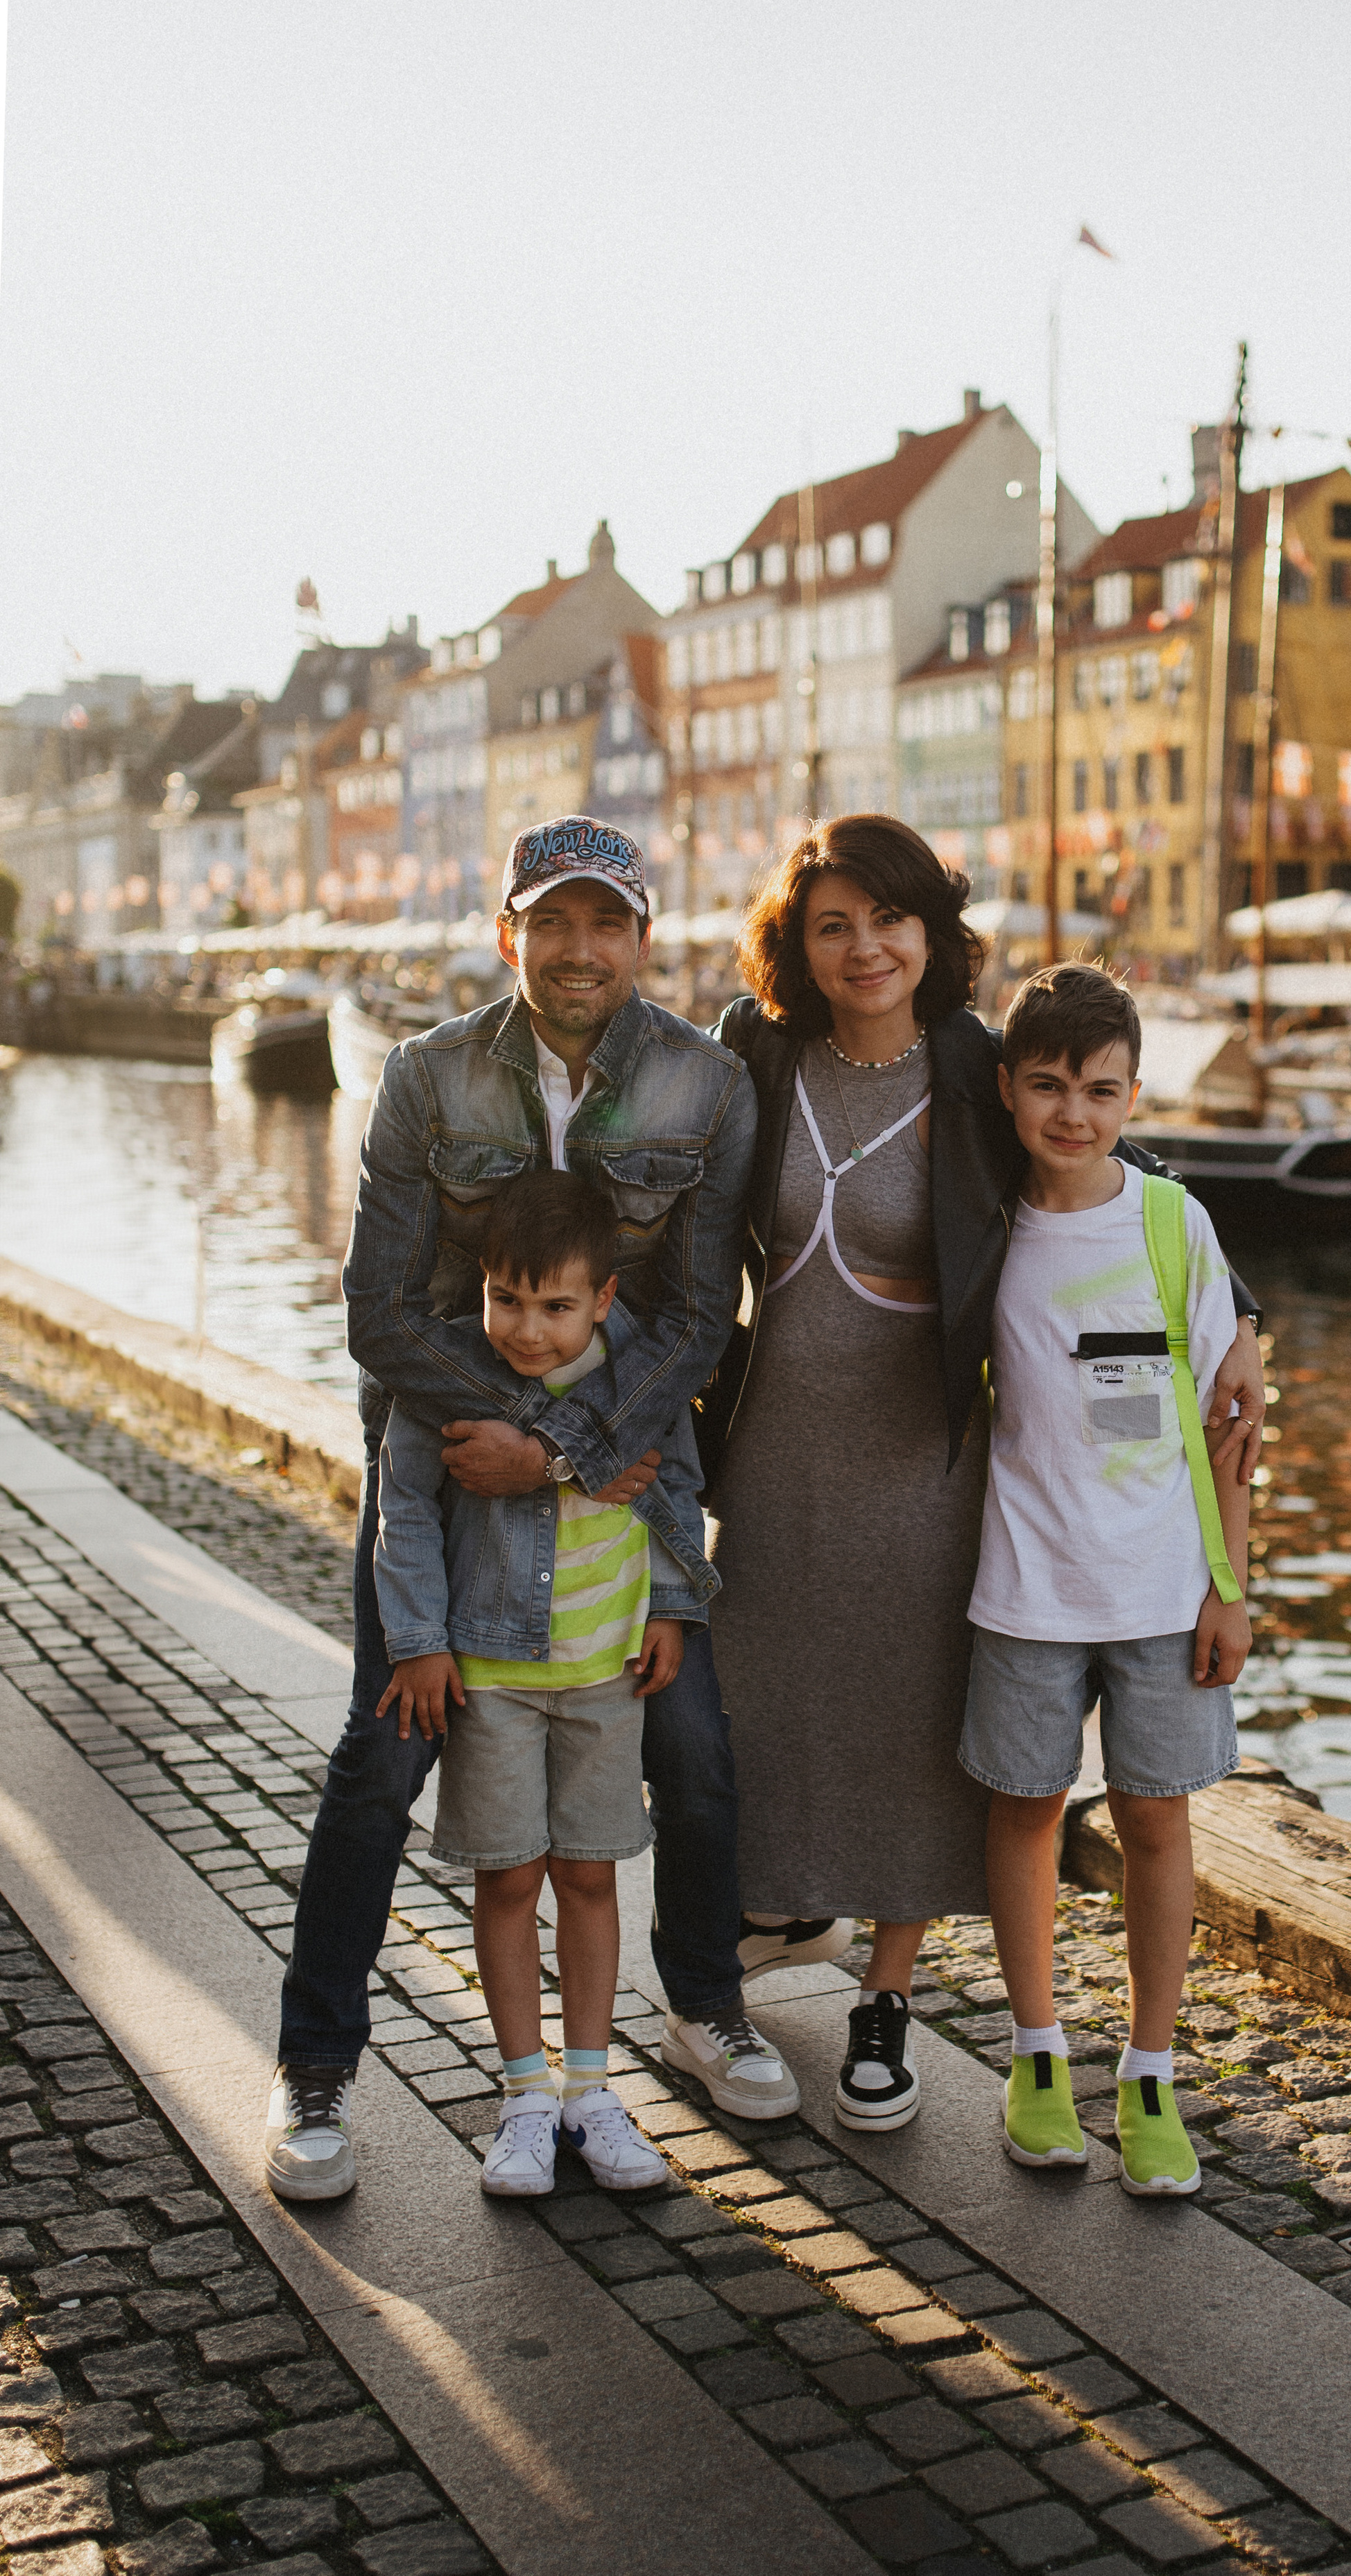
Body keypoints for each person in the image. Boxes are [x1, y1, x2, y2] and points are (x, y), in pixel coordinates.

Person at [266, 816, 811, 2205]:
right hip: (443, 1463)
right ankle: (316, 2064)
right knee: (382, 1755)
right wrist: (497, 1432)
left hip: (619, 1471)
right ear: (507, 932)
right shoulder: (425, 1074)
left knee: (689, 1743)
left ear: (640, 936)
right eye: (550, 922)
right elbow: (376, 1309)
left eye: (605, 922)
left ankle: (701, 2005)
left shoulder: (699, 1085)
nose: (578, 949)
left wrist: (565, 1446)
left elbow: (696, 1313)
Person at [697, 818, 1266, 2137]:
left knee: (917, 1725)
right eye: (833, 923)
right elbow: (679, 1216)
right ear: (797, 939)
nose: (865, 947)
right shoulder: (759, 1048)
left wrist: (1239, 1303)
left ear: (933, 933)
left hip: (932, 1456)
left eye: (890, 920)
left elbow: (1116, 1170)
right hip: (784, 1440)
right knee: (756, 1710)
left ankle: (890, 2001)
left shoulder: (969, 1061)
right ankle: (752, 1938)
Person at [959, 962, 1250, 2197]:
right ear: (1010, 1090)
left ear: (1134, 1093)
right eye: (1047, 1086)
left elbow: (1232, 1424)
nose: (1073, 1113)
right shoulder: (984, 1227)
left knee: (1155, 1820)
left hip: (1160, 1587)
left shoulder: (1173, 1223)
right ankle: (1035, 2055)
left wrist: (1231, 1586)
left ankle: (1148, 2070)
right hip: (1025, 1584)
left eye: (1100, 1089)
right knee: (1024, 1810)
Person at [372, 1169, 694, 2198]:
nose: (527, 1329)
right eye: (506, 1300)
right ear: (481, 1288)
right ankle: (521, 2093)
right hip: (493, 1676)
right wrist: (417, 1640)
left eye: (556, 1306)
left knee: (591, 1875)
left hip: (606, 1675)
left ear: (602, 1298)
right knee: (508, 1876)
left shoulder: (637, 1378)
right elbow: (406, 1509)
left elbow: (677, 1490)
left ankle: (592, 2089)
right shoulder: (452, 1381)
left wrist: (673, 1608)